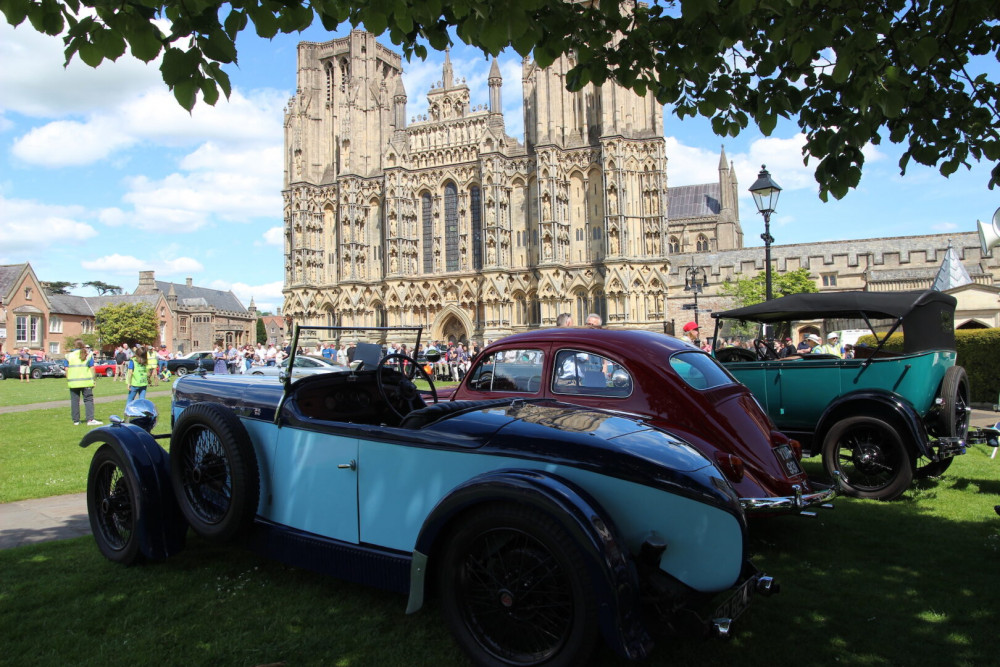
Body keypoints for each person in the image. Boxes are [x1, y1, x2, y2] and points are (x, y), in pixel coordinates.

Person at [66, 340, 102, 426]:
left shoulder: (69, 356)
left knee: (74, 401)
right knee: (88, 400)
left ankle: (76, 421)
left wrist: (68, 378)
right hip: (86, 381)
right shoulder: (88, 355)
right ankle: (90, 419)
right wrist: (94, 380)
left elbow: (66, 369)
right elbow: (92, 368)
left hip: (73, 382)